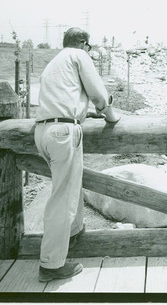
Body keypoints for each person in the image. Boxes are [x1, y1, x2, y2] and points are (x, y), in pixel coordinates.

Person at [34, 27, 120, 282]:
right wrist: (110, 114)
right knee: (63, 199)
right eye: (89, 47)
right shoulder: (78, 55)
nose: (88, 50)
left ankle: (71, 236)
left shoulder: (54, 62)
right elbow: (99, 95)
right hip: (63, 132)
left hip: (43, 130)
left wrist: (81, 113)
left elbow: (65, 96)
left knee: (66, 190)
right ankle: (51, 266)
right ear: (83, 43)